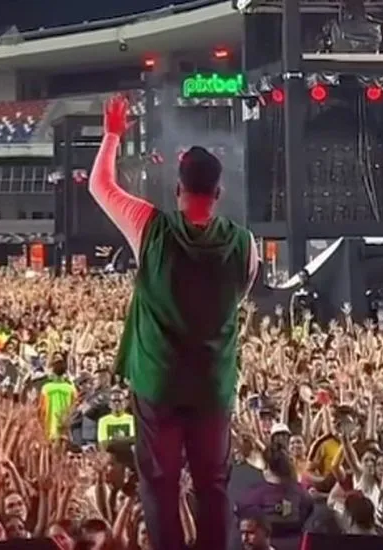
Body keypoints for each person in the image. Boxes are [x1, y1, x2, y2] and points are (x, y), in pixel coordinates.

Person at [89, 94, 259, 550]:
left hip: (158, 382)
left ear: (178, 189)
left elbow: (100, 186)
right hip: (211, 385)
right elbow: (237, 296)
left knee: (160, 483)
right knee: (213, 484)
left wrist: (112, 135)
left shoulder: (149, 227)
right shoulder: (245, 245)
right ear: (218, 193)